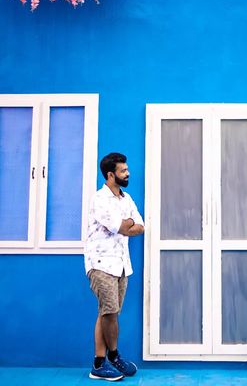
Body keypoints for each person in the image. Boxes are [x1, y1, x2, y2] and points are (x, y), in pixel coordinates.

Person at [84, 152, 145, 381]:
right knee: (109, 311)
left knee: (108, 312)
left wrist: (127, 224)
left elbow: (140, 226)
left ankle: (99, 364)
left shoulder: (126, 199)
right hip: (100, 263)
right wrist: (126, 224)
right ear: (111, 175)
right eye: (123, 171)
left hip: (120, 264)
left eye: (127, 169)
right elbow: (120, 227)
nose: (128, 173)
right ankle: (113, 356)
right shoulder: (100, 199)